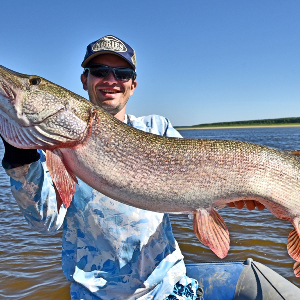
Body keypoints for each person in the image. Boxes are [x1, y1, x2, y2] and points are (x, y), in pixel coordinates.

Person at [1, 35, 263, 300]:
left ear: (133, 85)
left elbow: (195, 190)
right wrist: (18, 156)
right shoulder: (53, 153)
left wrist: (234, 195)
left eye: (122, 73)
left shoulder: (157, 129)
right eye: (99, 71)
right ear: (85, 80)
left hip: (168, 289)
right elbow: (45, 222)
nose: (111, 80)